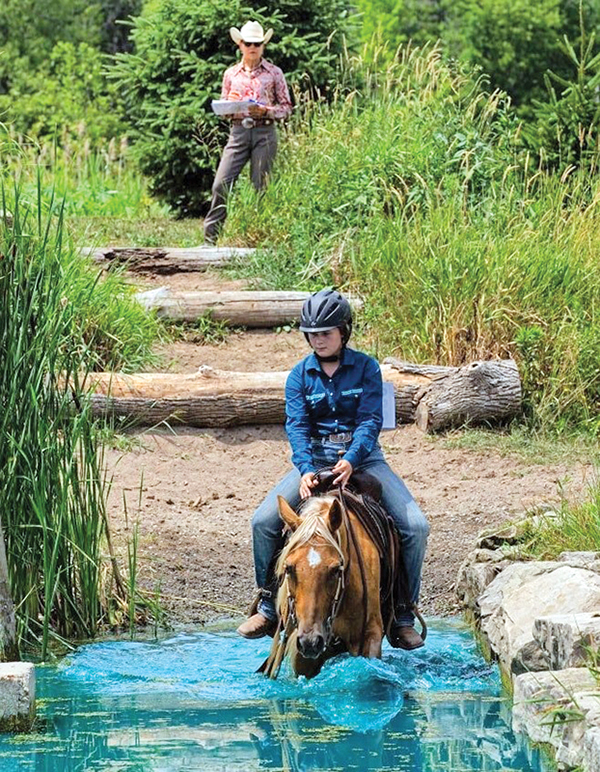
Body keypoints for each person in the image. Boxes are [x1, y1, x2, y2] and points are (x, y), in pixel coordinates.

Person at [237, 289, 430, 650]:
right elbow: (296, 426)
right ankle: (267, 605)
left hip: (364, 458)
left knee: (416, 527)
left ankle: (403, 613)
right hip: (314, 457)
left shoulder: (367, 368)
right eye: (312, 333)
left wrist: (352, 459)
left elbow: (371, 418)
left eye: (326, 332)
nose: (318, 340)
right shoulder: (299, 375)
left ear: (344, 332)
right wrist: (307, 468)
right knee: (262, 522)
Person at [203, 20, 292, 244]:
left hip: (265, 133)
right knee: (221, 184)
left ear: (263, 46)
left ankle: (260, 239)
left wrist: (264, 110)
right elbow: (222, 108)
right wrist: (229, 105)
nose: (253, 47)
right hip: (238, 132)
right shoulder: (231, 74)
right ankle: (209, 240)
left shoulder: (274, 73)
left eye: (258, 43)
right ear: (240, 45)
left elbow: (286, 108)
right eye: (248, 43)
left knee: (260, 186)